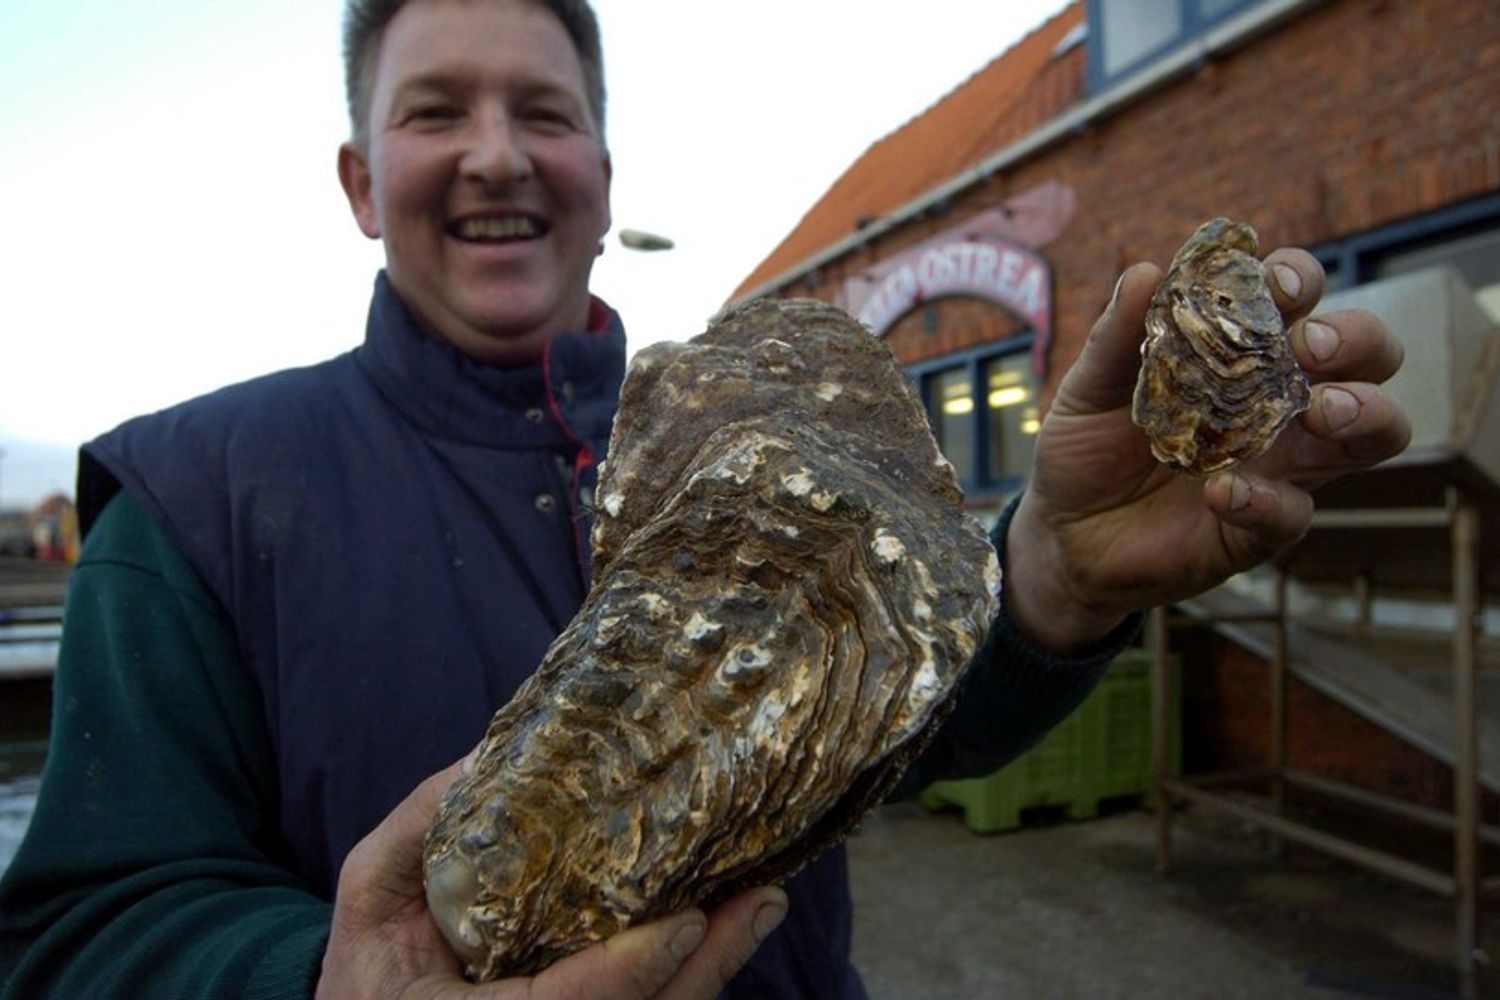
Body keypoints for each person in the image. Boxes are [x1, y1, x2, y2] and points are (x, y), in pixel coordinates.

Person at [0, 0, 1410, 997]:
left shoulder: (761, 436)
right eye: (437, 113)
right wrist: (312, 983)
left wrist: (1052, 580)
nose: (495, 154)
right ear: (364, 181)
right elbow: (77, 933)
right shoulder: (185, 501)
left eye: (542, 115)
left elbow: (876, 741)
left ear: (603, 180)